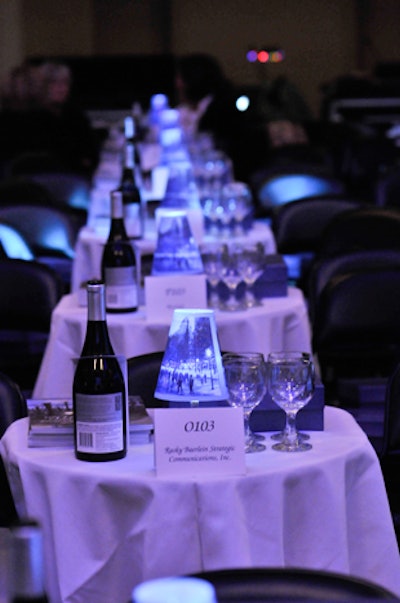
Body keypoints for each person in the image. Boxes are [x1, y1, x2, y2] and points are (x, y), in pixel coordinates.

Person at [174, 53, 269, 182]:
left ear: (192, 79)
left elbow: (219, 155)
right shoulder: (200, 107)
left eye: (180, 78)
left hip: (232, 180)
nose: (177, 83)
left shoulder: (222, 111)